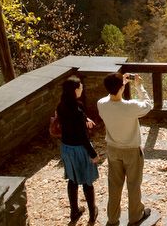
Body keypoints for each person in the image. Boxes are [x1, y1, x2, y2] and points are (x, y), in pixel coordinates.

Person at [97, 72, 154, 226]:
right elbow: (148, 104)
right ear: (121, 87)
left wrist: (119, 84)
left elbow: (110, 95)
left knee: (114, 186)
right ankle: (135, 216)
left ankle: (112, 219)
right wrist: (139, 86)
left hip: (113, 150)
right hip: (131, 150)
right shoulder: (131, 107)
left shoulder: (101, 104)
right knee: (133, 184)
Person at [57, 75, 99, 225]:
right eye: (81, 87)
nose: (82, 88)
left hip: (66, 148)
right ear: (75, 90)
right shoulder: (77, 110)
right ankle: (92, 213)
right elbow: (83, 137)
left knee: (73, 179)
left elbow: (72, 120)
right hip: (80, 149)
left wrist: (85, 119)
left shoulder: (62, 105)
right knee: (87, 182)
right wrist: (93, 154)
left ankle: (74, 212)